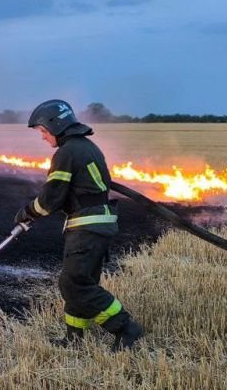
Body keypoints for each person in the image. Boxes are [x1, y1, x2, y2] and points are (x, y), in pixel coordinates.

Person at [15, 99, 144, 350]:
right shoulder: (85, 147)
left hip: (88, 225)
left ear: (55, 125)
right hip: (96, 223)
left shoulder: (66, 153)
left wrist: (27, 212)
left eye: (42, 131)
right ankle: (74, 337)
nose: (42, 137)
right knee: (80, 281)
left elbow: (51, 198)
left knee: (73, 282)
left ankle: (125, 327)